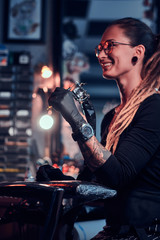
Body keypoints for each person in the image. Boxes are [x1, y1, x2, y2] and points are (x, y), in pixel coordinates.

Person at [42, 17, 160, 239]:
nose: (101, 55)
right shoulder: (111, 118)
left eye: (110, 46)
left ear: (138, 52)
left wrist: (76, 120)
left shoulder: (154, 108)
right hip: (115, 231)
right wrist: (61, 182)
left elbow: (119, 175)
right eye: (99, 48)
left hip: (145, 235)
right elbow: (101, 182)